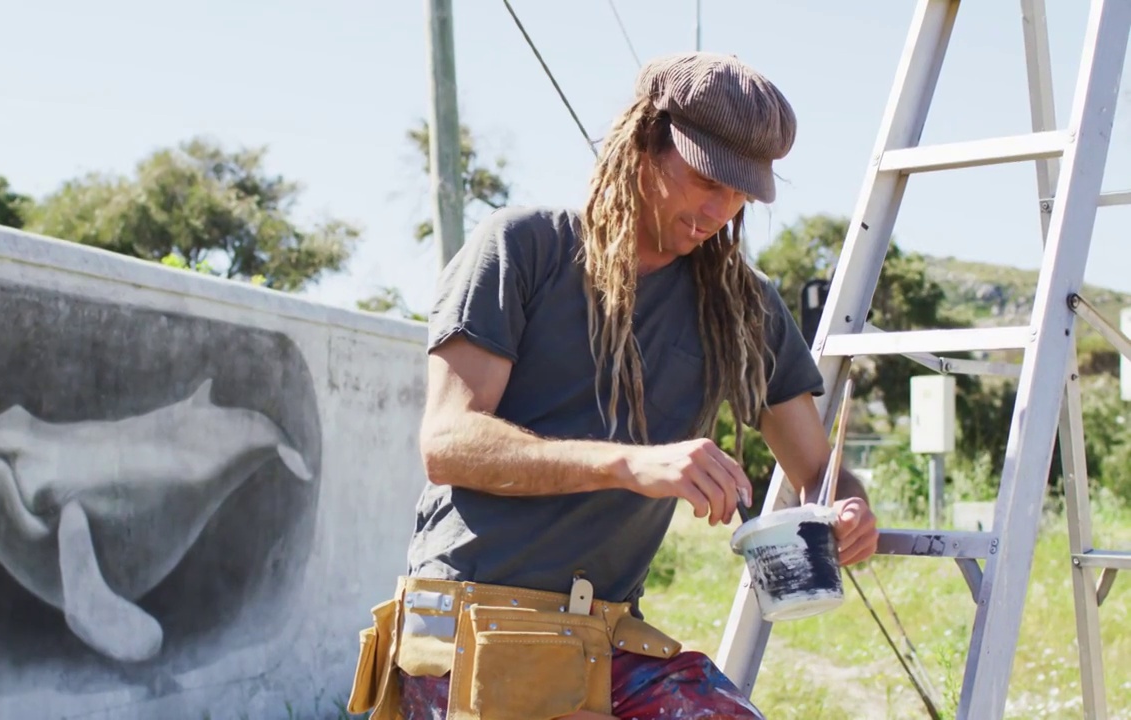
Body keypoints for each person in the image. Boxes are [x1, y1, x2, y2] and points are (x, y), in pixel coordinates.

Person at [346, 51, 880, 720]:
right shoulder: (524, 249)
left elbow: (819, 475)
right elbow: (449, 442)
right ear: (644, 143)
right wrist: (629, 464)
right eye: (705, 178)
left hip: (603, 640)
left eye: (742, 190)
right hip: (465, 626)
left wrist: (847, 512)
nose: (722, 208)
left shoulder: (744, 307)